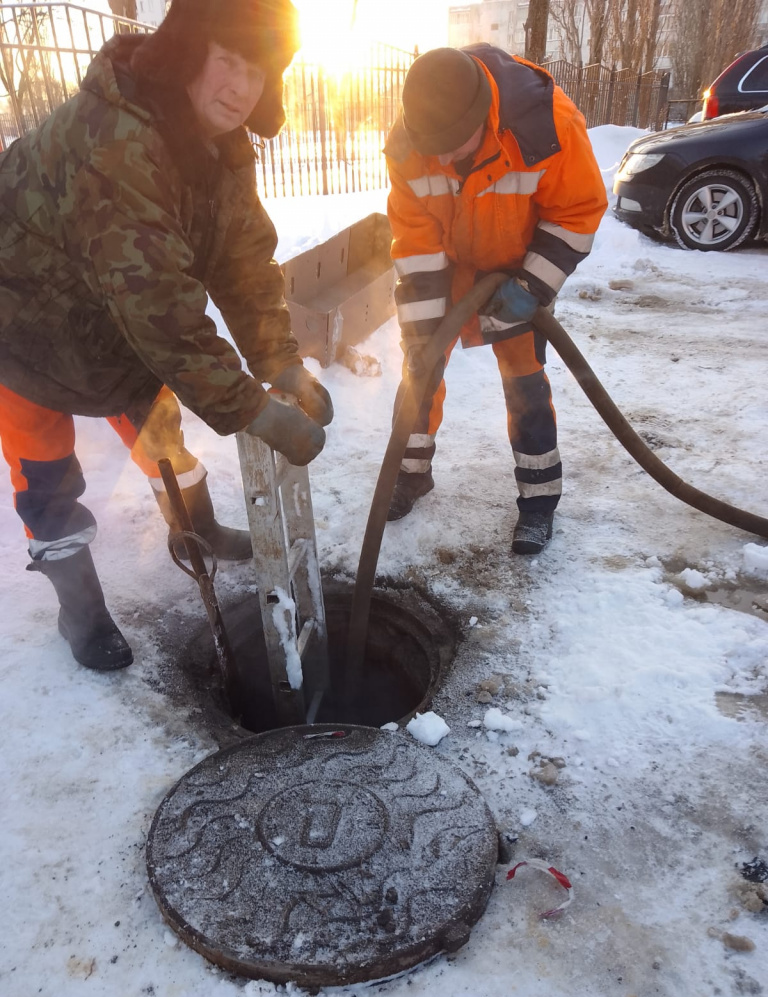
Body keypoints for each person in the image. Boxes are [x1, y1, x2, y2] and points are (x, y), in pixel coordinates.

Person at [0, 0, 333, 671]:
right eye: (229, 62)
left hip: (114, 325)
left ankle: (196, 531)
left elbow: (244, 260)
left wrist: (280, 360)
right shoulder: (118, 139)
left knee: (161, 435)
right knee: (45, 468)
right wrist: (250, 408)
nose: (242, 88)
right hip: (21, 324)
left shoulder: (215, 148)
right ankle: (81, 610)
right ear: (187, 52)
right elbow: (163, 309)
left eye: (258, 74)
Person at [384, 45, 608, 553]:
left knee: (523, 376)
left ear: (483, 114)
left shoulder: (546, 126)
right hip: (445, 268)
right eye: (431, 147)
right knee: (418, 371)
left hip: (516, 269)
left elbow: (577, 213)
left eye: (452, 146)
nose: (440, 159)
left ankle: (538, 501)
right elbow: (415, 245)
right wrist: (420, 331)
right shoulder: (407, 145)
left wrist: (531, 286)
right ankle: (411, 474)